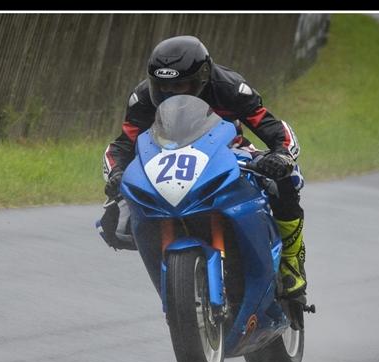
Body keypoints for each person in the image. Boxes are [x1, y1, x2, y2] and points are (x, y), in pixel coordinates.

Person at [101, 35, 308, 303]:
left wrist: (281, 156)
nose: (171, 93)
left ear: (203, 77)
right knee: (118, 205)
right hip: (167, 159)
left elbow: (274, 129)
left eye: (181, 85)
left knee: (285, 180)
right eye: (163, 88)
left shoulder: (230, 87)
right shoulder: (141, 98)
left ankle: (291, 261)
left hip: (226, 150)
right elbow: (121, 146)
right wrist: (116, 174)